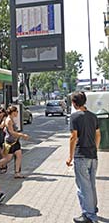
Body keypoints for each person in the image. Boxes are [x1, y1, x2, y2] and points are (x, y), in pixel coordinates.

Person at [66, 91, 101, 223]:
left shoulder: (75, 117)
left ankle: (89, 215)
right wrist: (95, 148)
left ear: (74, 103)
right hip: (93, 156)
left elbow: (73, 137)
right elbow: (98, 134)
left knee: (83, 186)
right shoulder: (93, 116)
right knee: (91, 184)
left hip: (81, 155)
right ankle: (93, 208)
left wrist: (70, 156)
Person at [0, 105, 29, 178]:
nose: (17, 113)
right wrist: (22, 135)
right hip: (10, 141)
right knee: (7, 158)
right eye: (16, 111)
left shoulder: (10, 119)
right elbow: (11, 132)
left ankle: (17, 173)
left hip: (15, 140)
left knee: (19, 155)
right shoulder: (8, 120)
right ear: (13, 112)